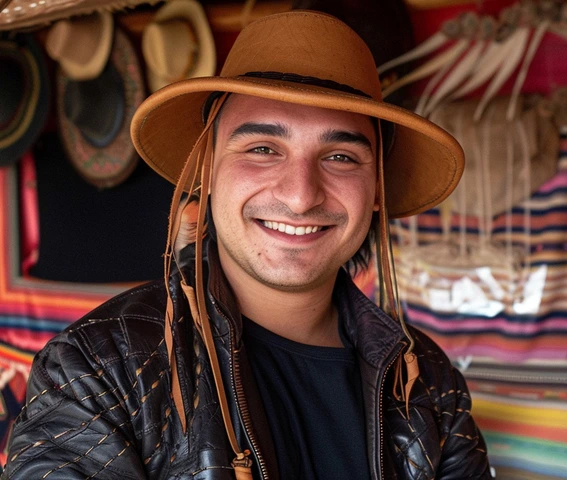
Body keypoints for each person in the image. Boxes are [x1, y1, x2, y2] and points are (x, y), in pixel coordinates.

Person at [3, 10, 492, 480]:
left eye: (340, 156)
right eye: (262, 149)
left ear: (378, 191)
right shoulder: (99, 368)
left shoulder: (426, 380)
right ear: (207, 169)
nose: (301, 196)